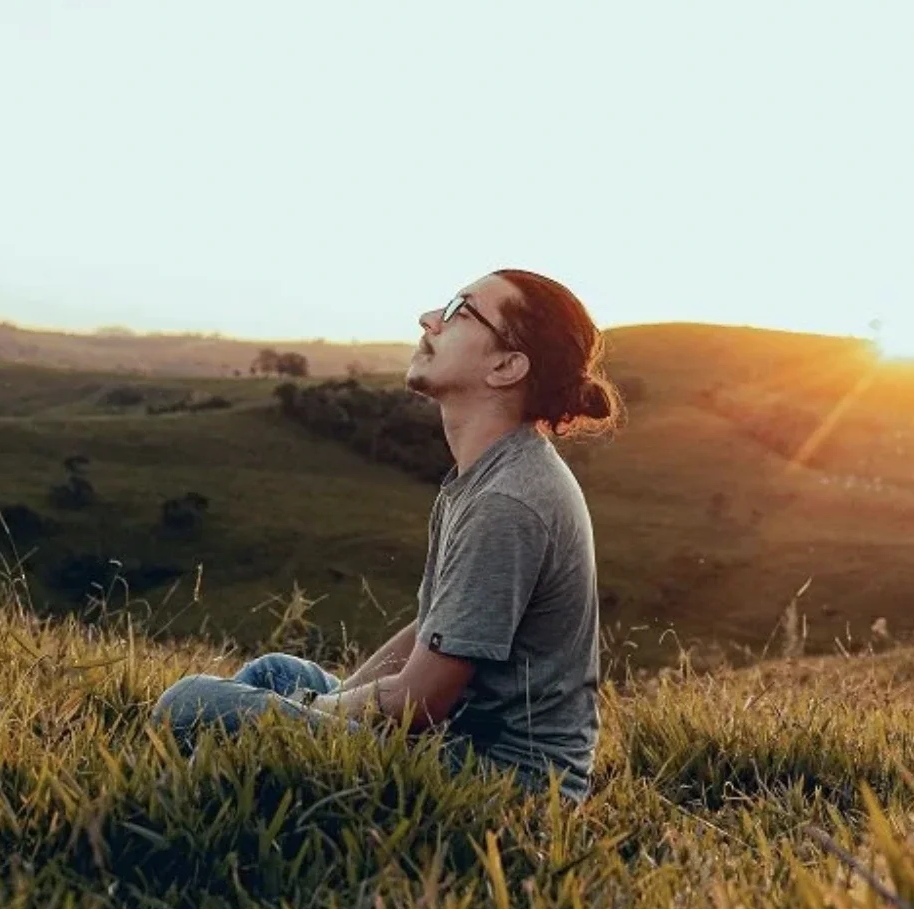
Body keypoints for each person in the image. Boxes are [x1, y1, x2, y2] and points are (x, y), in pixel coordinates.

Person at [151, 269, 623, 803]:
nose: (428, 319)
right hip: (459, 743)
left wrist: (319, 712)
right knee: (275, 672)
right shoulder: (492, 473)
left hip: (505, 783)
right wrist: (326, 710)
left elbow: (420, 702)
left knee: (186, 704)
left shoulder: (507, 501)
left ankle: (219, 792)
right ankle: (225, 787)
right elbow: (434, 629)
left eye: (459, 311)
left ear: (506, 366)